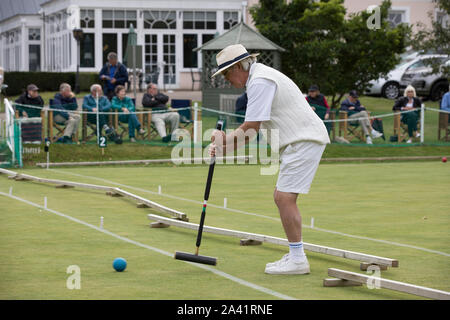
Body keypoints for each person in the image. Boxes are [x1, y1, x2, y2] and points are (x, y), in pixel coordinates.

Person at [209, 44, 330, 275]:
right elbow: (251, 128)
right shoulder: (259, 79)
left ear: (237, 67)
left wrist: (223, 143)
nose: (227, 80)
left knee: (284, 197)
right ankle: (295, 255)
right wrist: (223, 146)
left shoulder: (260, 81)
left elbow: (251, 128)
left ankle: (297, 260)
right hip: (299, 140)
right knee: (281, 196)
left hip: (303, 139)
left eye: (226, 74)